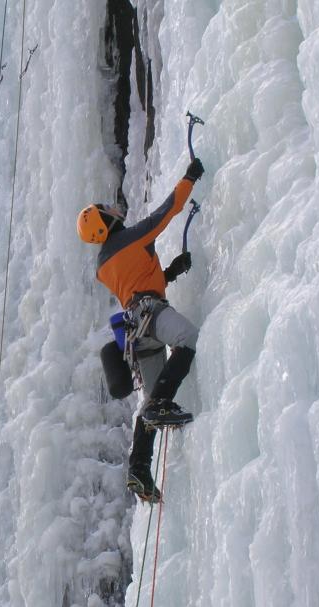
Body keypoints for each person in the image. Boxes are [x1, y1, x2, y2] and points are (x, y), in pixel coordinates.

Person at [77, 158, 204, 501]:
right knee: (187, 339)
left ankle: (139, 469)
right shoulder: (132, 238)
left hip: (136, 329)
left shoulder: (105, 265)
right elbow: (168, 210)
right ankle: (159, 406)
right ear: (105, 223)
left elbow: (139, 282)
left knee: (150, 398)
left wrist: (171, 273)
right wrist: (189, 178)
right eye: (107, 212)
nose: (114, 211)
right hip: (151, 313)